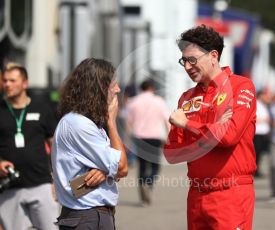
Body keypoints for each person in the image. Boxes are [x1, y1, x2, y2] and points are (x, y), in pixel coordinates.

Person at [163, 25, 257, 230]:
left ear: (213, 56)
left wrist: (188, 124)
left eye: (192, 60)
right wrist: (213, 129)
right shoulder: (187, 98)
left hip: (230, 194)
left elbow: (229, 137)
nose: (187, 67)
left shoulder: (241, 87)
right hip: (196, 195)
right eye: (184, 61)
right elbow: (172, 153)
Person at [51, 58, 128, 229]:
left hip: (92, 215)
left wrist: (106, 170)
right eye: (113, 84)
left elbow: (116, 168)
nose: (118, 89)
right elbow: (122, 167)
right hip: (86, 215)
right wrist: (112, 123)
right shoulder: (78, 123)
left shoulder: (90, 123)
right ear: (98, 88)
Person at [0, 62, 59, 230]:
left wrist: (57, 181)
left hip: (41, 184)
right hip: (8, 188)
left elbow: (55, 147)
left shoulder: (42, 109)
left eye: (12, 80)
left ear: (25, 83)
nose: (7, 85)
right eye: (5, 81)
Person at [126, 78, 170, 206]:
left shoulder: (133, 102)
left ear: (141, 88)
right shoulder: (159, 101)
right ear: (152, 88)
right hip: (156, 137)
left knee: (142, 166)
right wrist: (169, 136)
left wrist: (128, 139)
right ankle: (149, 184)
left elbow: (129, 123)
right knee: (155, 165)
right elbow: (166, 120)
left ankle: (143, 191)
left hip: (140, 138)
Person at [254, 88, 272, 178]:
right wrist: (263, 119)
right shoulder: (256, 104)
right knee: (256, 152)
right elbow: (254, 117)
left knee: (260, 153)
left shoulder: (265, 105)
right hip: (257, 132)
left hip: (263, 132)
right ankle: (255, 170)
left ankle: (257, 169)